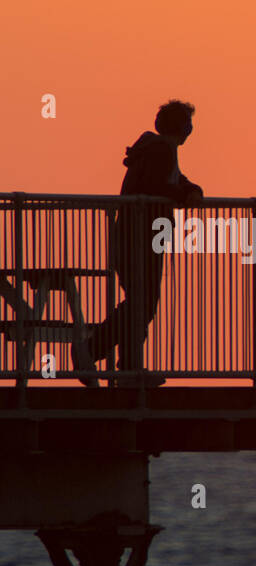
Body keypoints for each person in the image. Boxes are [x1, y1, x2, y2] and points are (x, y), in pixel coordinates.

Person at [75, 100, 203, 387]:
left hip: (140, 235)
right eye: (188, 124)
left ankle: (130, 369)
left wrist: (191, 189)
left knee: (141, 303)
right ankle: (90, 350)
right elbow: (155, 186)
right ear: (184, 128)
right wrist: (185, 195)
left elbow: (174, 180)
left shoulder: (158, 149)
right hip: (140, 236)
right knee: (143, 304)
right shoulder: (162, 148)